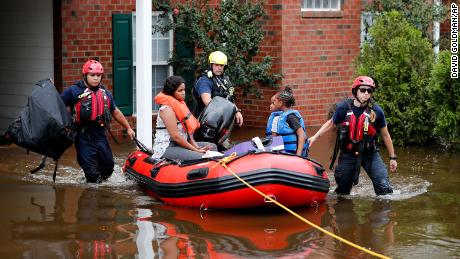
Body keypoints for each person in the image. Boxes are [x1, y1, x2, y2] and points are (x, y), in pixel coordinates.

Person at [308, 76, 397, 196]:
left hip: (370, 154)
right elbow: (331, 123)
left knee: (384, 189)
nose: (366, 93)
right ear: (355, 91)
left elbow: (385, 135)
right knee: (343, 192)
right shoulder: (343, 108)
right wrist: (314, 137)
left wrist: (392, 158)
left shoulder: (377, 111)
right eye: (363, 90)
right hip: (348, 154)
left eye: (369, 91)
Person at [61, 60, 135, 183]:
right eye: (92, 75)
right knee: (93, 176)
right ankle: (92, 190)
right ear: (85, 75)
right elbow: (57, 104)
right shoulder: (73, 91)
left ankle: (98, 191)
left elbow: (115, 111)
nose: (96, 78)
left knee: (108, 168)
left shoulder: (105, 93)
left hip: (100, 135)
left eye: (98, 75)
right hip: (82, 136)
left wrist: (128, 127)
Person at [153, 76, 217, 161]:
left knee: (213, 147)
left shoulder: (180, 105)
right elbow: (176, 137)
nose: (183, 93)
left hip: (180, 144)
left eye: (184, 90)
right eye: (180, 91)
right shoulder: (166, 109)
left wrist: (197, 147)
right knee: (201, 157)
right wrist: (196, 151)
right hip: (167, 147)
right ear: (172, 92)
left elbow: (188, 135)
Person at [193, 51, 243, 127]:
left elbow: (229, 98)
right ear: (211, 65)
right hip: (204, 121)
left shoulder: (224, 79)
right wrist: (224, 113)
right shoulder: (205, 80)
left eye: (221, 65)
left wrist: (236, 111)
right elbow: (207, 100)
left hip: (220, 122)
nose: (219, 67)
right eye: (216, 65)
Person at [265, 87, 308, 157]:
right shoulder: (277, 118)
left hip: (294, 154)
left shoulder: (291, 117)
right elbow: (274, 138)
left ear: (280, 103)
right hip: (284, 154)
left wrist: (298, 155)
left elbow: (302, 135)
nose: (272, 104)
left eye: (274, 102)